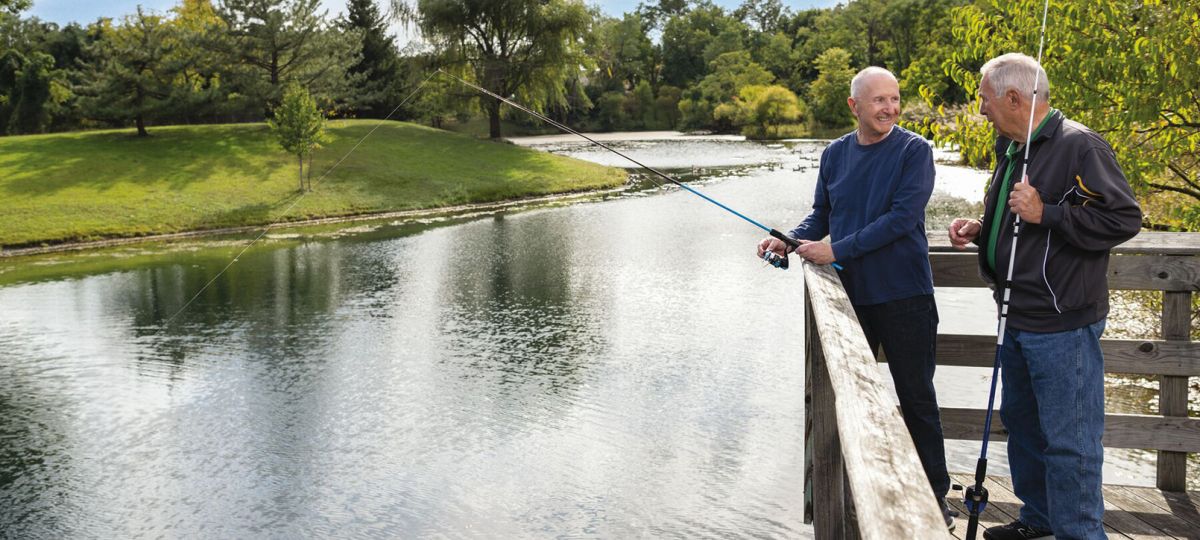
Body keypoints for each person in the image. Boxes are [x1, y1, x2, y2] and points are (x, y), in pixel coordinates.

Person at [948, 53, 1142, 540]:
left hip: (1062, 324)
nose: (980, 108)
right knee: (1025, 429)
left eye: (985, 99)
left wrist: (1048, 213)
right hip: (1014, 315)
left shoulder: (1081, 147)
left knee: (1071, 444)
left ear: (1014, 98)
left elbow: (1123, 220)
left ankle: (1078, 534)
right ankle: (1039, 521)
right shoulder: (1011, 144)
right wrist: (983, 228)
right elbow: (1017, 215)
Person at [757, 66, 954, 528]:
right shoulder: (834, 154)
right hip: (849, 302)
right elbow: (823, 215)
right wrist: (786, 239)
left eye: (894, 98)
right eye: (879, 100)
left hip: (905, 297)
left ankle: (936, 496)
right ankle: (856, 493)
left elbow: (901, 220)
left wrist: (836, 250)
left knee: (917, 399)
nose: (890, 108)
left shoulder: (914, 151)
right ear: (854, 107)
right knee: (849, 400)